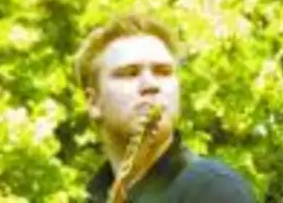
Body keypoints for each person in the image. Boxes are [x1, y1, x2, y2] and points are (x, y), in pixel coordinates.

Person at [74, 13, 257, 202]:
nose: (151, 84)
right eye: (130, 73)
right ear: (93, 102)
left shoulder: (213, 189)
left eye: (163, 72)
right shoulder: (89, 196)